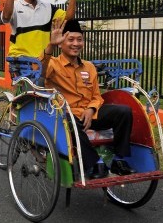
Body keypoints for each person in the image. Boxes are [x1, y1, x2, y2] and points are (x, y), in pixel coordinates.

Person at [40, 19, 136, 179]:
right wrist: (50, 45)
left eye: (79, 39)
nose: (75, 44)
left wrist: (91, 110)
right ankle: (94, 163)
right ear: (61, 42)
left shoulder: (89, 67)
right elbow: (40, 72)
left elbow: (97, 96)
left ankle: (119, 160)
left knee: (124, 112)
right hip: (65, 115)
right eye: (70, 39)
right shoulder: (53, 64)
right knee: (69, 122)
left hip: (89, 115)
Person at [2, 0, 81, 58]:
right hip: (20, 61)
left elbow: (68, 18)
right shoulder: (15, 6)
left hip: (42, 60)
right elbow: (6, 17)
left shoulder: (48, 8)